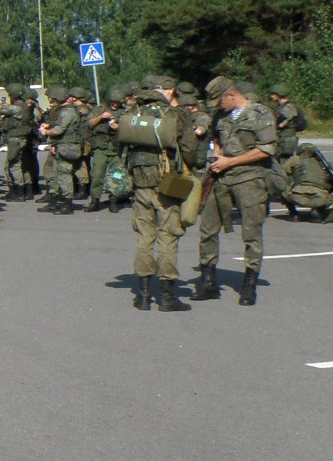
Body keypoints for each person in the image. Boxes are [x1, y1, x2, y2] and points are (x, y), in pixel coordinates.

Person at [197, 76, 277, 306]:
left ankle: (249, 286)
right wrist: (218, 154)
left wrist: (230, 162)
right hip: (221, 178)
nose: (218, 106)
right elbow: (216, 136)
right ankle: (209, 283)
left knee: (251, 233)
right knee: (207, 230)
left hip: (249, 178)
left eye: (220, 101)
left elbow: (266, 149)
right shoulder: (220, 115)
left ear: (231, 95)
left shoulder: (260, 113)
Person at [121, 78, 192, 311]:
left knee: (144, 238)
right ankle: (167, 297)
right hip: (167, 184)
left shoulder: (133, 113)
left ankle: (142, 296)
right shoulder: (173, 114)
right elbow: (191, 150)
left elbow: (119, 144)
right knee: (168, 237)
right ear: (168, 91)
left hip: (140, 184)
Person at [84, 94, 120, 211]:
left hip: (116, 149)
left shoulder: (125, 111)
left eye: (118, 102)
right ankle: (94, 200)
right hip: (100, 147)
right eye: (113, 101)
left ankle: (113, 200)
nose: (115, 104)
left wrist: (118, 127)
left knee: (116, 176)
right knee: (97, 175)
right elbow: (89, 123)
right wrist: (101, 117)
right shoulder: (100, 109)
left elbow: (131, 128)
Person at [0, 91, 34, 201]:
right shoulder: (25, 107)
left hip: (15, 139)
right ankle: (27, 191)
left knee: (13, 166)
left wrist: (3, 105)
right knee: (22, 166)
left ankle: (19, 194)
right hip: (22, 138)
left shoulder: (16, 108)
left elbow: (0, 109)